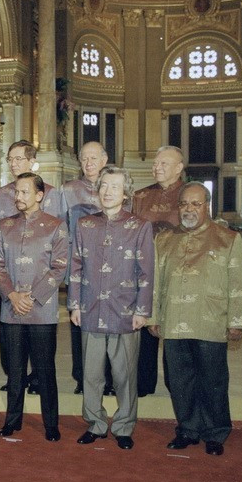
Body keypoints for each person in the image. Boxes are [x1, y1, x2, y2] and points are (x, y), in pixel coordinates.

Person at [150, 182, 242, 457]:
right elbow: (156, 282)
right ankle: (187, 429)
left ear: (207, 206)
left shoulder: (227, 238)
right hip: (173, 322)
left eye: (195, 204)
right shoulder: (165, 239)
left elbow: (239, 282)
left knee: (213, 380)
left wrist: (237, 321)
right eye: (184, 204)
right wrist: (153, 317)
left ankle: (215, 433)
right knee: (178, 380)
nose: (189, 209)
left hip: (210, 321)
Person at [69, 167, 154, 450]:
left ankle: (123, 426)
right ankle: (95, 423)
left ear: (125, 193)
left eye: (114, 187)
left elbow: (146, 272)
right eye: (104, 186)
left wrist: (142, 310)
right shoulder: (85, 225)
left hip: (124, 310)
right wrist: (74, 305)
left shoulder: (140, 226)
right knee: (91, 373)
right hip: (91, 308)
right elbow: (76, 266)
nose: (107, 192)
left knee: (124, 374)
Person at [0, 173, 67, 441]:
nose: (18, 197)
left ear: (39, 195)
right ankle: (12, 421)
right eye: (16, 193)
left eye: (24, 192)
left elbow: (60, 268)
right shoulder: (3, 225)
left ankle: (51, 425)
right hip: (11, 310)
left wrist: (31, 297)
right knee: (14, 370)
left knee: (45, 370)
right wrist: (11, 294)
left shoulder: (56, 226)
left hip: (42, 312)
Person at [0, 140, 64, 392]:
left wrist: (37, 293)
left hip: (40, 278)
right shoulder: (1, 194)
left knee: (41, 341)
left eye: (19, 159)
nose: (13, 164)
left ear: (32, 161)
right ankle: (15, 378)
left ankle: (37, 379)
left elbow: (60, 238)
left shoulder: (52, 193)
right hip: (9, 276)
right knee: (9, 337)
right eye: (10, 159)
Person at [132, 145, 185, 398]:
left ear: (179, 167)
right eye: (155, 163)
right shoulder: (140, 196)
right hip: (145, 271)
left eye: (164, 163)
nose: (157, 167)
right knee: (145, 328)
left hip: (178, 272)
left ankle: (177, 385)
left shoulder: (190, 194)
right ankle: (144, 383)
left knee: (175, 330)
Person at [60, 141, 113, 396]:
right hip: (80, 267)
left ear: (104, 160)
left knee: (113, 323)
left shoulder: (116, 186)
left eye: (94, 158)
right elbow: (61, 231)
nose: (89, 163)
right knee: (79, 323)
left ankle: (112, 378)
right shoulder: (68, 190)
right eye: (84, 159)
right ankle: (82, 378)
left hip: (114, 269)